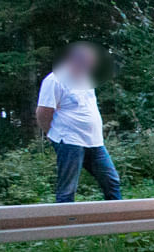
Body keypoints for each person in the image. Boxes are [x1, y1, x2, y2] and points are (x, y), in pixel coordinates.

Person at [36, 42, 121, 203]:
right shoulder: (54, 80)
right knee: (67, 189)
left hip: (94, 142)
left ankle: (119, 223)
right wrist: (52, 135)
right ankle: (65, 226)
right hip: (69, 141)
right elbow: (43, 112)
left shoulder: (86, 78)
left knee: (111, 181)